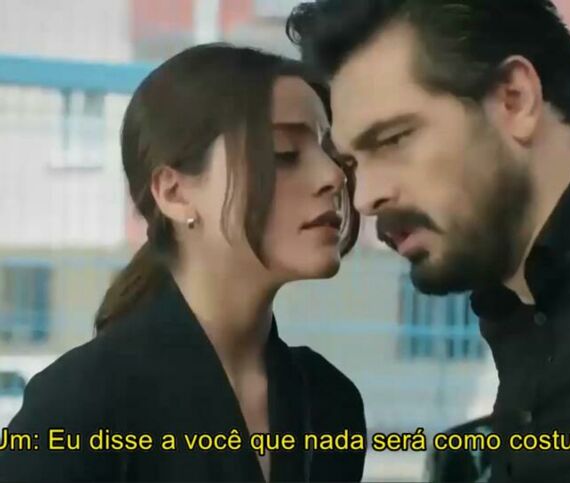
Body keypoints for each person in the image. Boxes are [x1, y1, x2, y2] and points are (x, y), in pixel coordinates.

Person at [287, 0, 570, 481]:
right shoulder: (516, 304)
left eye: (393, 139)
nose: (366, 197)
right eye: (351, 165)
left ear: (514, 98)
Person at [0, 44, 366, 482]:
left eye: (330, 151)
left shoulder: (329, 401)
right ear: (174, 193)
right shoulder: (78, 406)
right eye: (284, 153)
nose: (333, 175)